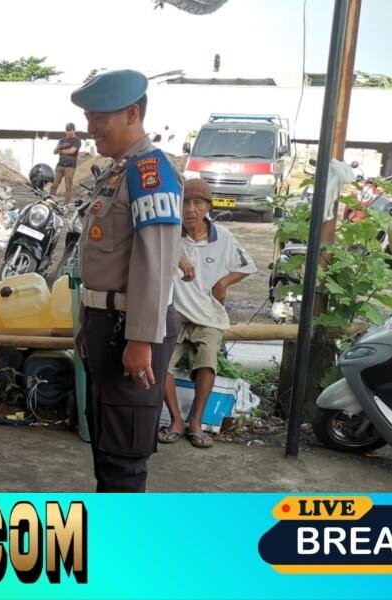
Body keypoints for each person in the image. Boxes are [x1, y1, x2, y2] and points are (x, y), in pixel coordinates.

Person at [71, 69, 183, 492]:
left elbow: (154, 261)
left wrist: (141, 340)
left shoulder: (150, 170)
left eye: (100, 117)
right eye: (89, 117)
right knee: (105, 442)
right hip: (107, 325)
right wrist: (88, 319)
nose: (91, 127)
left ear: (132, 114)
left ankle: (122, 533)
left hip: (131, 332)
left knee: (123, 456)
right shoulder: (119, 170)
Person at [158, 179, 257, 449]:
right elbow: (150, 250)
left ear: (208, 207)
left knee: (207, 361)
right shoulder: (169, 234)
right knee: (161, 363)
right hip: (174, 314)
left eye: (197, 203)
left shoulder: (222, 237)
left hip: (208, 316)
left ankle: (196, 422)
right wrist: (175, 258)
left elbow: (248, 265)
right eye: (185, 203)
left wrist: (223, 283)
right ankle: (176, 420)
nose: (190, 209)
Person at [51, 123, 82, 204]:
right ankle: (51, 201)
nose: (68, 132)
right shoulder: (62, 140)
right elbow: (54, 152)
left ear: (74, 130)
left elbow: (72, 151)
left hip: (70, 167)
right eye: (67, 130)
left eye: (70, 130)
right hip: (60, 165)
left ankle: (66, 204)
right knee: (54, 185)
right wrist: (58, 147)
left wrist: (61, 151)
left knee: (68, 186)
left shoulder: (77, 140)